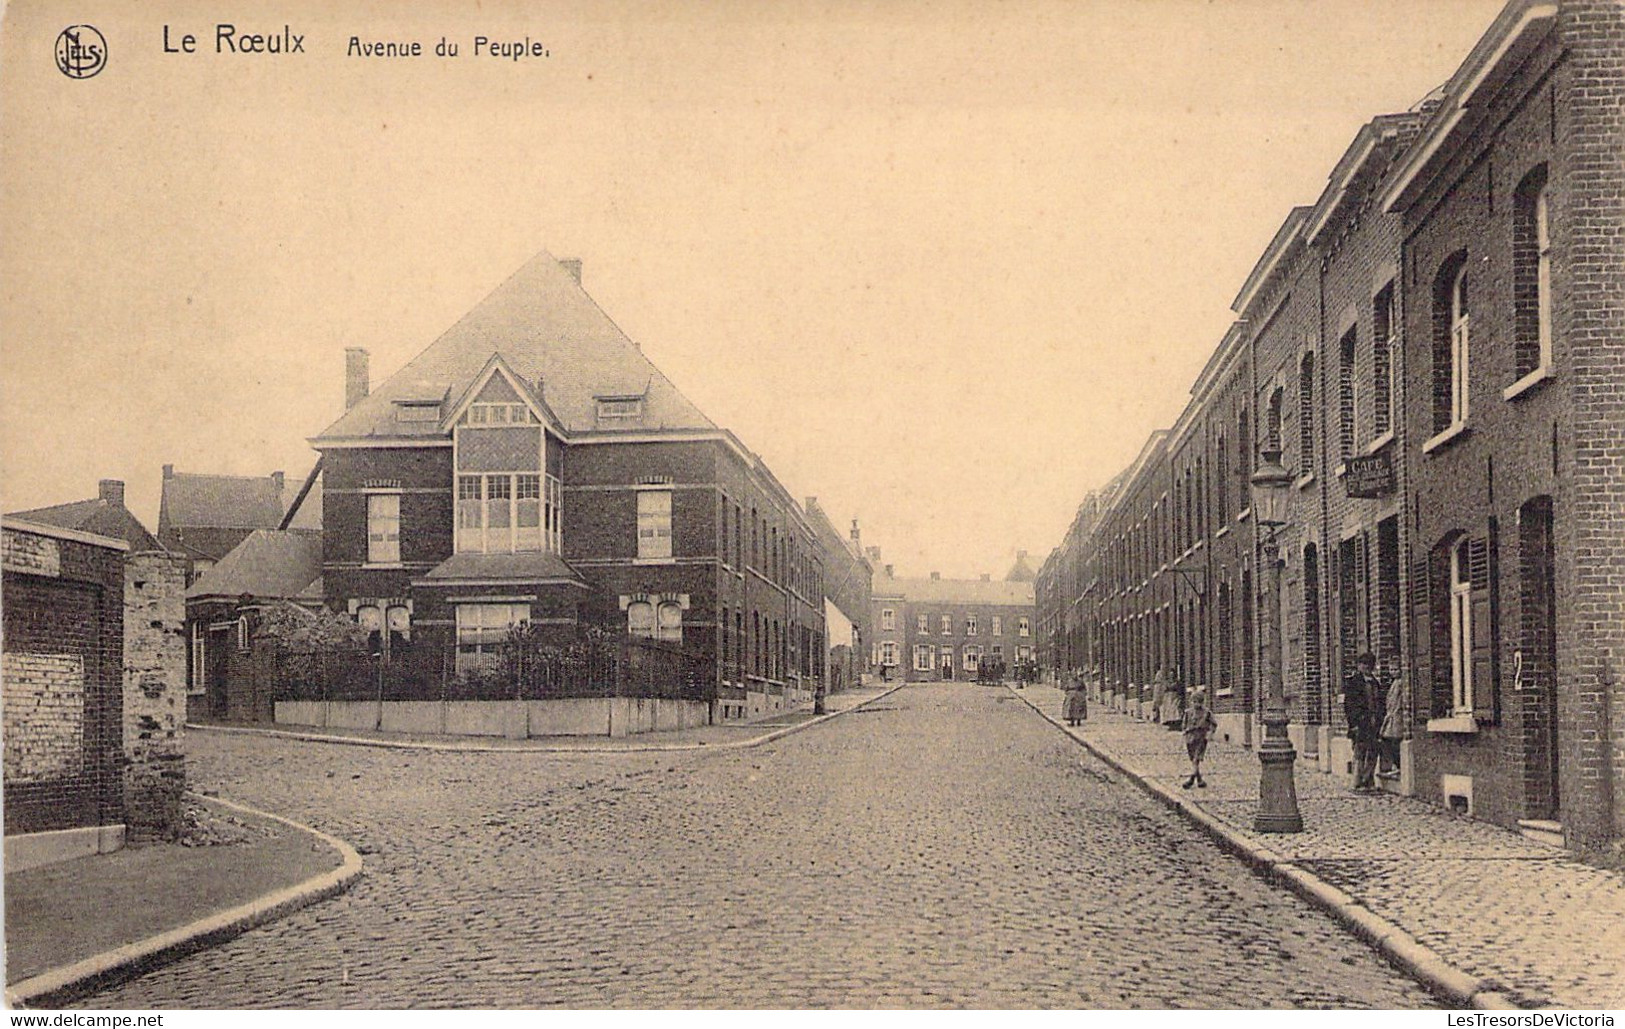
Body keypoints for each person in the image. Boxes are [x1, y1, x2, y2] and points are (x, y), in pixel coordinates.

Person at [1343, 652, 1383, 793]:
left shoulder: (1375, 683)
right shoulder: (1353, 683)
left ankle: (1368, 780)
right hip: (1360, 723)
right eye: (1363, 664)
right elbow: (1349, 706)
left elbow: (1380, 703)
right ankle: (1357, 782)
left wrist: (1378, 718)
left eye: (1369, 665)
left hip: (1374, 723)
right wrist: (1354, 723)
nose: (1366, 667)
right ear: (1359, 666)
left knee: (1372, 751)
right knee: (1359, 751)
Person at [1181, 687, 1216, 789]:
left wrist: (1210, 733)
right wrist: (1185, 731)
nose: (1196, 704)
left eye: (1199, 702)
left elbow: (1213, 724)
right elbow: (1184, 724)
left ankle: (1191, 779)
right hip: (1190, 738)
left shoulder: (1207, 713)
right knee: (1193, 759)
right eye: (1194, 702)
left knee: (1196, 759)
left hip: (1201, 738)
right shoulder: (1188, 712)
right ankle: (1199, 780)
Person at [1377, 675, 1406, 781]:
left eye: (1396, 670)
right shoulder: (1393, 683)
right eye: (1392, 670)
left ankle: (1398, 766)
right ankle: (1394, 766)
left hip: (1397, 717)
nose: (1393, 672)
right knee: (1386, 740)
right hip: (1391, 716)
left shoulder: (1400, 683)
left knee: (1393, 741)